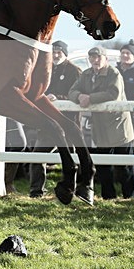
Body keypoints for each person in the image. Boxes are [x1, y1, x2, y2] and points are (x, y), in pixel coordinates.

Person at [68, 46, 134, 199]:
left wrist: (90, 98)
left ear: (105, 59)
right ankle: (108, 197)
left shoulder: (114, 73)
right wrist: (79, 97)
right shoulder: (86, 74)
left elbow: (114, 93)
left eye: (98, 57)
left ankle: (129, 197)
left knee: (124, 166)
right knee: (104, 166)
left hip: (118, 125)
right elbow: (72, 91)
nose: (95, 60)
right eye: (92, 57)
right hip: (100, 126)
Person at [29, 40, 82, 197]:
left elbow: (76, 95)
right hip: (47, 123)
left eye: (59, 52)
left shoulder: (75, 71)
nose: (56, 55)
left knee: (71, 160)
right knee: (37, 157)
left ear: (65, 53)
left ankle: (71, 190)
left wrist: (57, 97)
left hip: (67, 124)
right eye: (54, 52)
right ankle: (36, 192)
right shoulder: (47, 69)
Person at [117, 39, 134, 144]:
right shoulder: (115, 72)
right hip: (117, 113)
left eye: (128, 53)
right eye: (123, 53)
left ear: (133, 56)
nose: (125, 55)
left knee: (132, 142)